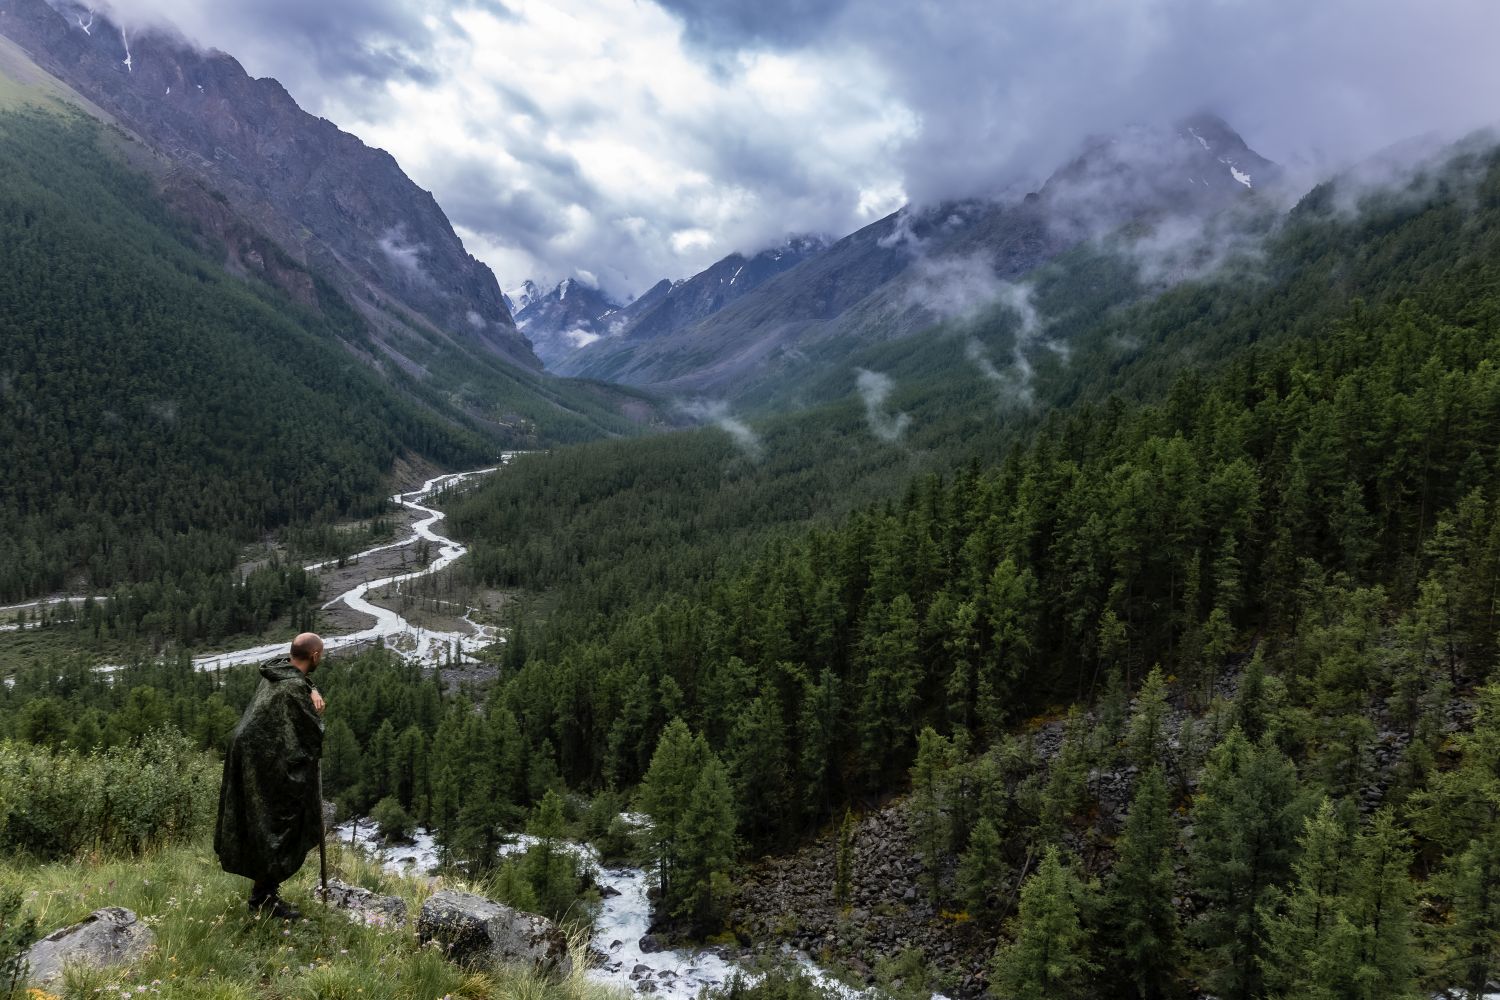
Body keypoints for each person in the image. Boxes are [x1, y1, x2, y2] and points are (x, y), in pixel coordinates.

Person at [214, 632, 329, 919]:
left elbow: (294, 676)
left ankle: (263, 895)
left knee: (264, 823)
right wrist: (317, 713)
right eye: (321, 654)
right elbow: (311, 734)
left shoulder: (278, 672)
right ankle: (264, 899)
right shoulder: (291, 689)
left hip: (249, 754)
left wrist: (311, 688)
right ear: (314, 656)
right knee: (277, 824)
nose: (321, 658)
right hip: (263, 762)